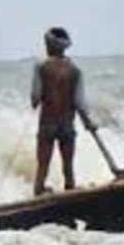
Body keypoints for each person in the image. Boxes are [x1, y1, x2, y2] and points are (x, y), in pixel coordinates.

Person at [31, 27, 98, 196]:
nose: (45, 47)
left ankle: (39, 192)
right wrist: (88, 123)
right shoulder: (75, 70)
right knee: (68, 167)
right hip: (67, 123)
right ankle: (70, 193)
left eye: (47, 44)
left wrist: (42, 97)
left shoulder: (41, 66)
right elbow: (80, 103)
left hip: (47, 123)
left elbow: (35, 98)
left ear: (51, 45)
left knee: (43, 166)